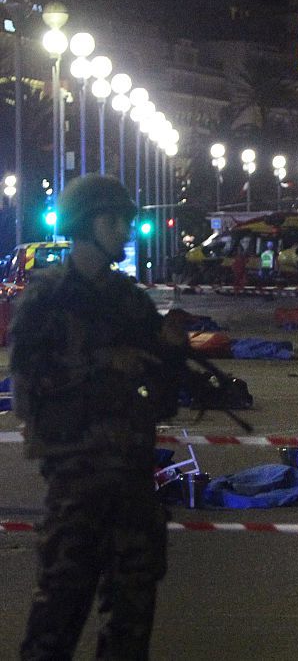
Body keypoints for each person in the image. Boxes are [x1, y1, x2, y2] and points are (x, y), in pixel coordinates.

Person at [11, 174, 187, 660]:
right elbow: (27, 385)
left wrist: (171, 353)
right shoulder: (47, 299)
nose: (126, 231)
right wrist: (100, 362)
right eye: (116, 220)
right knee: (59, 613)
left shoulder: (130, 301)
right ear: (88, 223)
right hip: (76, 476)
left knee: (132, 616)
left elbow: (165, 397)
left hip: (131, 474)